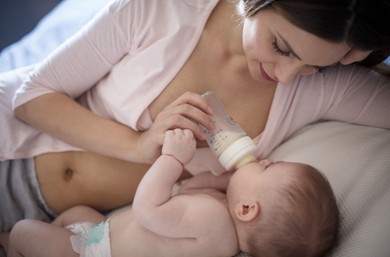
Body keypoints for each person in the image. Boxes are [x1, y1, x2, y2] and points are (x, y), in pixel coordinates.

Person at [0, 0, 389, 234]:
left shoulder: (325, 88)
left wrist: (360, 50)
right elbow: (31, 97)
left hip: (57, 224)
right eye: (281, 47)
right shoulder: (164, 11)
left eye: (313, 67)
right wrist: (137, 145)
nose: (287, 76)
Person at [0, 129, 338, 257]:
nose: (261, 160)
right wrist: (223, 183)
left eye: (266, 167)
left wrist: (172, 159)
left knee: (24, 230)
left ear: (248, 209)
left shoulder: (212, 221)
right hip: (100, 233)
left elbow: (148, 208)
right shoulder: (224, 230)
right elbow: (185, 194)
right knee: (76, 213)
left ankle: (12, 250)